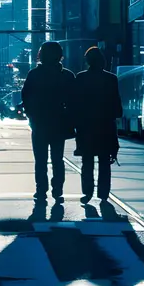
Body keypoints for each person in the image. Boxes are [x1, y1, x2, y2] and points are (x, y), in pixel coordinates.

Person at [21, 41, 76, 207]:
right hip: (59, 124)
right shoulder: (67, 75)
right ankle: (57, 189)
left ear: (41, 55)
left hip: (39, 123)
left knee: (41, 159)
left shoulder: (34, 74)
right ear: (60, 56)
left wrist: (32, 115)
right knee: (58, 159)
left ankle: (41, 189)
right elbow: (75, 100)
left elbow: (26, 97)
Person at [73, 47, 122, 205]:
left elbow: (76, 103)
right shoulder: (111, 79)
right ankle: (103, 193)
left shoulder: (80, 78)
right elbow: (117, 105)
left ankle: (87, 192)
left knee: (87, 161)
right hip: (106, 126)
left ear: (87, 61)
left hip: (86, 127)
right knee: (105, 161)